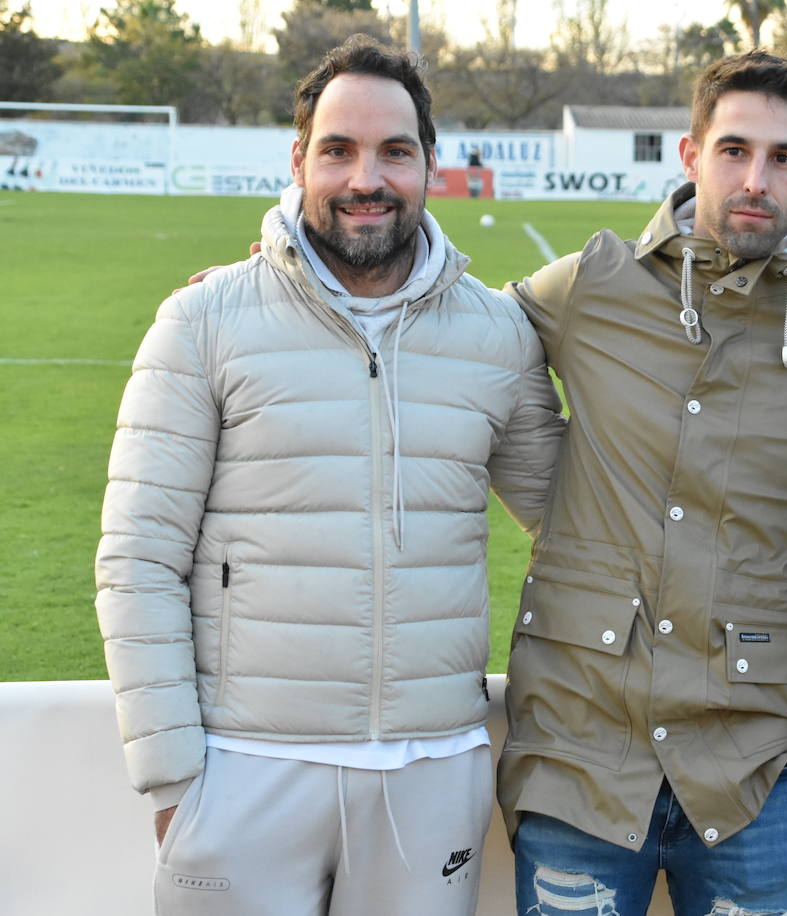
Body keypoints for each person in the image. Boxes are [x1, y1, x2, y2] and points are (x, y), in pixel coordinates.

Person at [95, 35, 565, 915]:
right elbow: (137, 559)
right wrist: (172, 784)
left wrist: (761, 564)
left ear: (430, 163)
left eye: (394, 151)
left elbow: (580, 524)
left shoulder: (497, 334)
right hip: (245, 769)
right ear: (299, 160)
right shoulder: (204, 320)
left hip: (433, 770)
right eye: (339, 150)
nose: (366, 179)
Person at [497, 50, 787, 915]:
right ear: (690, 155)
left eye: (782, 157)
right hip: (581, 751)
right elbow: (450, 344)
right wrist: (282, 290)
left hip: (752, 768)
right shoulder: (591, 286)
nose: (756, 179)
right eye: (734, 150)